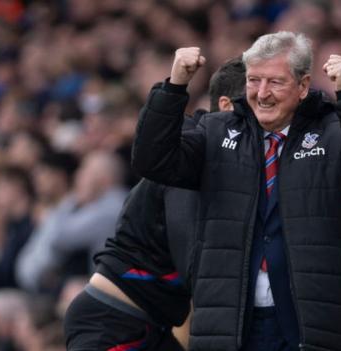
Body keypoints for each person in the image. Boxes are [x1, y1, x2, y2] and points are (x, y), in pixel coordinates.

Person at [131, 31, 341, 351]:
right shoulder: (215, 131)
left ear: (303, 86)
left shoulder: (332, 132)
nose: (262, 94)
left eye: (274, 82)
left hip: (312, 325)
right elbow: (152, 162)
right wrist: (173, 88)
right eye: (254, 81)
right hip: (229, 325)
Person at [63, 58, 247, 351]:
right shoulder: (190, 153)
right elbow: (196, 259)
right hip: (112, 321)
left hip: (150, 324)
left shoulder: (214, 154)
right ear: (227, 106)